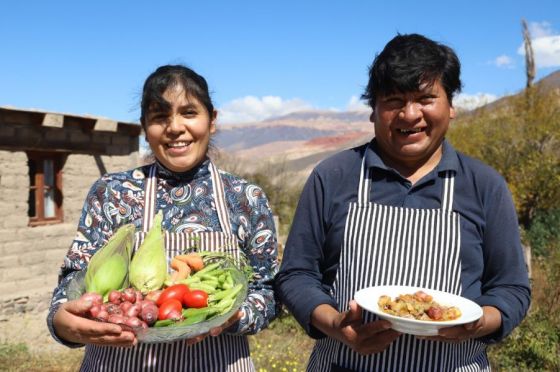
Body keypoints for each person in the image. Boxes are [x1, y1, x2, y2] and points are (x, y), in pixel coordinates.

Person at [275, 33, 531, 371]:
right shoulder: (333, 176)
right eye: (394, 100)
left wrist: (479, 322)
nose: (410, 115)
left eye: (426, 98)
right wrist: (338, 327)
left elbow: (511, 287)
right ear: (373, 110)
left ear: (451, 105)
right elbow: (296, 274)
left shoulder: (484, 186)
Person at [47, 64, 279, 371]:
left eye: (189, 112)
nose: (174, 127)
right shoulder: (113, 193)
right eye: (159, 117)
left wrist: (230, 315)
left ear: (212, 121)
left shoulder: (245, 197)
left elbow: (269, 291)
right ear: (145, 127)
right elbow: (74, 280)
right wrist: (63, 321)